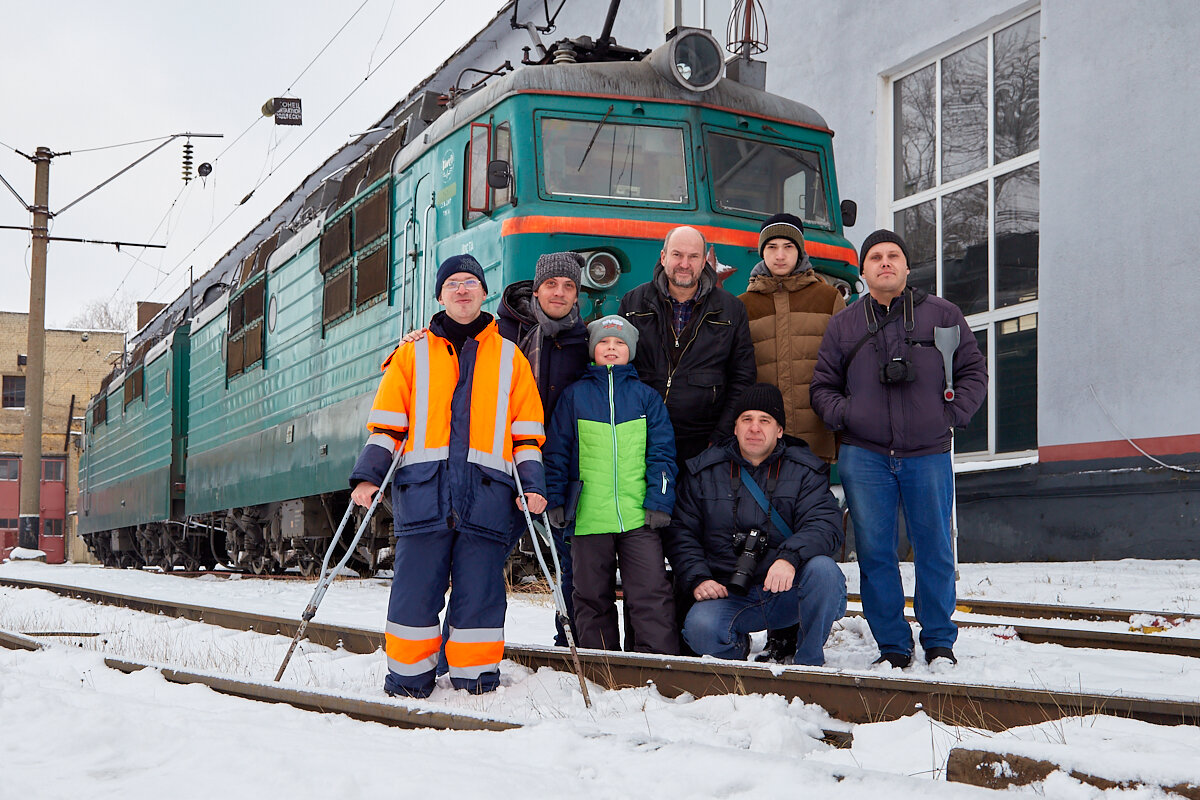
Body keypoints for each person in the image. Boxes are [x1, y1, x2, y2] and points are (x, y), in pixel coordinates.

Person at [349, 254, 547, 698]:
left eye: (471, 282)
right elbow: (388, 427)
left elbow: (527, 434)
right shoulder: (410, 354)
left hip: (488, 497)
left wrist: (533, 486)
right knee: (414, 592)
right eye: (453, 283)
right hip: (424, 495)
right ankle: (408, 677)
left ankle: (475, 679)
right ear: (439, 295)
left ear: (483, 293)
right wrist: (368, 477)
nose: (462, 290)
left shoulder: (510, 358)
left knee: (480, 593)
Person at [810, 230, 987, 668]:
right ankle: (892, 644)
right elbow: (821, 387)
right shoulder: (845, 323)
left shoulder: (943, 315)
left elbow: (973, 372)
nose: (884, 263)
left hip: (927, 452)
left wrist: (950, 415)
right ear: (863, 271)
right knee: (874, 552)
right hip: (864, 454)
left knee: (935, 547)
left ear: (907, 268)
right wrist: (849, 414)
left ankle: (940, 641)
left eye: (893, 256)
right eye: (875, 257)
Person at [662, 383, 847, 666]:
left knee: (824, 572)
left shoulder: (804, 470)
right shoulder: (704, 471)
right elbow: (681, 532)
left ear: (780, 430)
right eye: (746, 419)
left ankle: (808, 661)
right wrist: (699, 577)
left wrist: (790, 557)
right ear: (734, 427)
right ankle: (736, 655)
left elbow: (825, 524)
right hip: (731, 591)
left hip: (787, 590)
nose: (754, 428)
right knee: (701, 628)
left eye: (765, 421)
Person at [738, 213, 846, 663]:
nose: (779, 255)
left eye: (787, 248)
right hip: (765, 440)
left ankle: (805, 626)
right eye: (771, 248)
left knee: (806, 528)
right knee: (767, 528)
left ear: (799, 252)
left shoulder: (828, 297)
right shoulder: (744, 304)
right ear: (762, 254)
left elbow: (843, 362)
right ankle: (780, 631)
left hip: (813, 434)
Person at [543, 315, 679, 654]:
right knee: (590, 595)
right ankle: (599, 666)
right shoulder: (574, 397)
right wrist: (556, 499)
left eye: (619, 344)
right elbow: (557, 451)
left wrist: (660, 501)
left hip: (638, 517)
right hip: (589, 516)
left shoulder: (647, 398)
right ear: (593, 350)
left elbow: (662, 453)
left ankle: (656, 662)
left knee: (650, 591)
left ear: (630, 351)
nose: (612, 348)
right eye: (604, 342)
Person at [497, 252, 590, 647]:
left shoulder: (585, 339)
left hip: (561, 464)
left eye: (569, 286)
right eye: (551, 284)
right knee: (486, 557)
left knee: (570, 562)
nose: (560, 292)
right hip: (504, 460)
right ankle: (476, 644)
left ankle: (568, 640)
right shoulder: (502, 333)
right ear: (536, 290)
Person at [617, 225, 756, 467]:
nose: (684, 264)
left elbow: (742, 378)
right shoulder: (633, 303)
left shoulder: (732, 310)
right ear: (663, 257)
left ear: (704, 262)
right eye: (677, 255)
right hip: (641, 436)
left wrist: (721, 437)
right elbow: (617, 371)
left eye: (693, 257)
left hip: (703, 442)